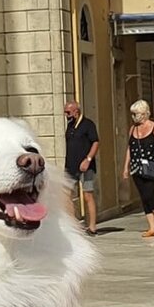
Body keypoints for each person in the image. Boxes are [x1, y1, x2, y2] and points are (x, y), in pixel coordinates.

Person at [122, 99, 154, 238]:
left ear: (144, 113)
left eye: (136, 114)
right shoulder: (132, 129)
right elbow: (129, 148)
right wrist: (125, 167)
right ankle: (152, 227)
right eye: (132, 114)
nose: (134, 117)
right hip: (136, 168)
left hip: (153, 167)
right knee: (144, 197)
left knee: (149, 194)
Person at [63, 100, 99, 235]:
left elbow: (95, 142)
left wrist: (88, 159)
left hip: (86, 166)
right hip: (70, 166)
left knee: (87, 195)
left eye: (68, 112)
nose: (66, 115)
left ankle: (92, 226)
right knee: (67, 195)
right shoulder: (70, 125)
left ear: (76, 111)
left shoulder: (88, 125)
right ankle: (74, 225)